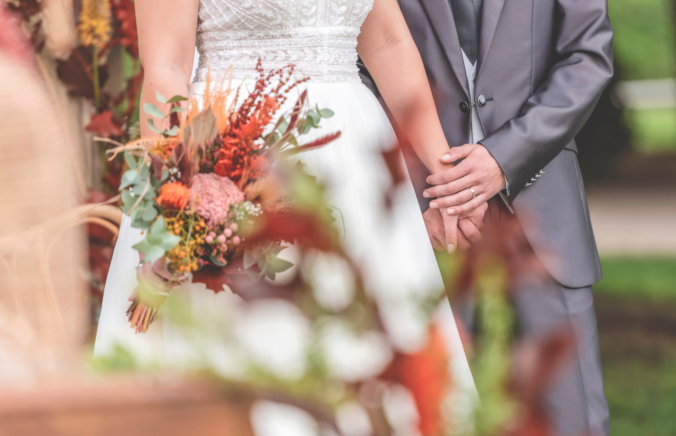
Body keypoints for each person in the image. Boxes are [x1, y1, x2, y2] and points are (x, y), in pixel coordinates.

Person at [94, 0, 478, 395]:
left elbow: (387, 42)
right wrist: (174, 198)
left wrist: (446, 175)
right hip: (238, 157)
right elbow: (166, 66)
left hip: (356, 165)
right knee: (257, 345)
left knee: (372, 351)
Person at [360, 0, 614, 434]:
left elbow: (587, 56)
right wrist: (425, 194)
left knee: (574, 415)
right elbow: (362, 70)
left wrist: (504, 157)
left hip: (544, 212)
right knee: (446, 409)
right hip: (432, 220)